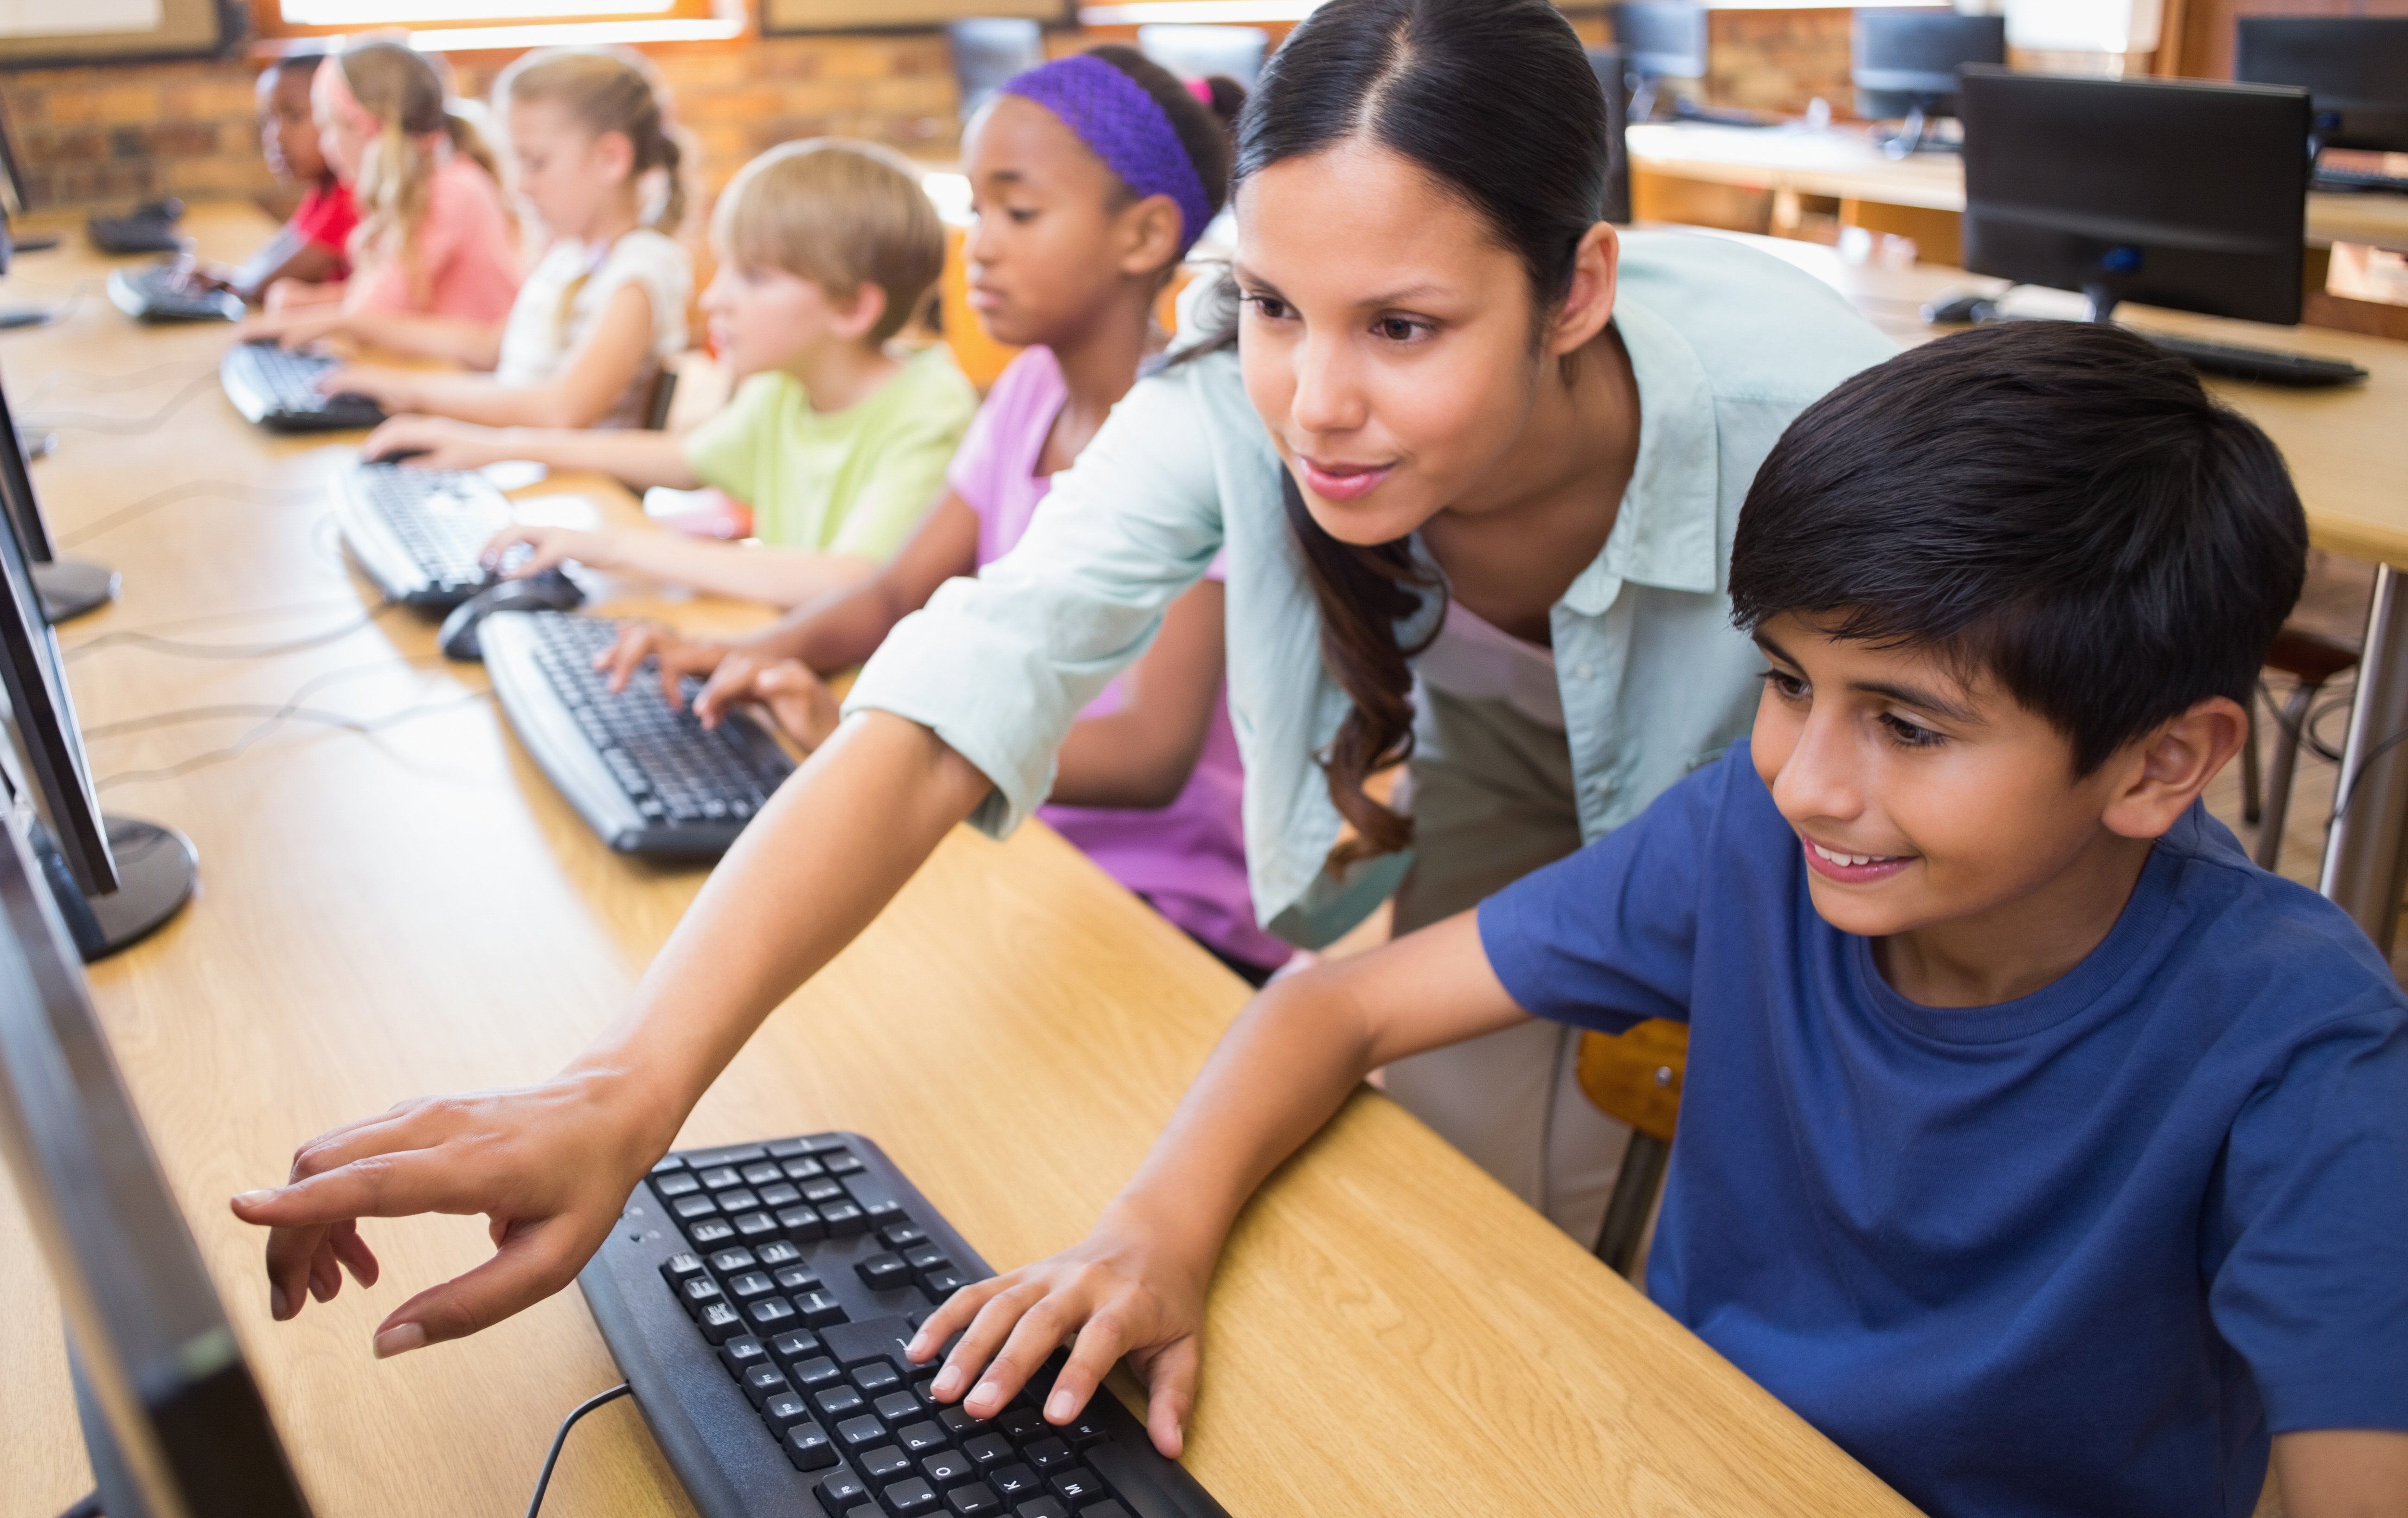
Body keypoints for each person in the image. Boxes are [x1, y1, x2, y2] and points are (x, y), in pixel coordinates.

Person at [230, 0, 1893, 1353]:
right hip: (1495, 734)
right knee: (1466, 1228)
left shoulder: (1808, 426)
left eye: (1401, 327)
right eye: (1272, 307)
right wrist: (620, 1086)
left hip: (1810, 798)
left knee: (1760, 1199)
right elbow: (972, 674)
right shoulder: (1232, 403)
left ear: (1571, 290)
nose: (1311, 400)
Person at [902, 321, 2408, 1518]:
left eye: (1911, 726)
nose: (1808, 782)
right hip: (1666, 1463)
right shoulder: (1742, 845)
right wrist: (1150, 1238)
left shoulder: (2301, 1045)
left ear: (2162, 763)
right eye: (1789, 681)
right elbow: (1338, 1005)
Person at [591, 49, 1278, 976]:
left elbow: (1150, 755)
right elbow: (893, 593)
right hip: (1001, 831)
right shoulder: (1030, 390)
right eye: (977, 210)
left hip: (1157, 903)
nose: (980, 246)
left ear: (1146, 235)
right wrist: (756, 654)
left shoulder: (1198, 433)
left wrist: (867, 736)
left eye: (1020, 212)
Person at [360, 138, 975, 610]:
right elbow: (684, 459)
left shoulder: (929, 411)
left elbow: (850, 581)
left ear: (852, 308)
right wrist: (493, 448)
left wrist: (617, 548)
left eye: (753, 278)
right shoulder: (789, 383)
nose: (714, 300)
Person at [317, 46, 694, 431]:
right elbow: (486, 347)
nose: (521, 186)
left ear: (611, 158)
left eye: (536, 162)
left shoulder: (639, 273)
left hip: (573, 486)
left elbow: (560, 411)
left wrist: (412, 392)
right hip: (522, 463)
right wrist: (343, 325)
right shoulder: (567, 256)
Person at [238, 38, 523, 358]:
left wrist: (307, 318)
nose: (327, 147)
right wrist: (309, 303)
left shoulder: (448, 193)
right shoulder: (425, 186)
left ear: (366, 130)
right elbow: (393, 293)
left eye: (329, 128)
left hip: (480, 381)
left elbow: (373, 318)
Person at [191, 51, 356, 302]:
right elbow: (279, 250)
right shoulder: (326, 188)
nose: (277, 137)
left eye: (295, 116)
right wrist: (234, 279)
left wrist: (241, 284)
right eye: (268, 120)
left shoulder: (352, 194)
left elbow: (262, 285)